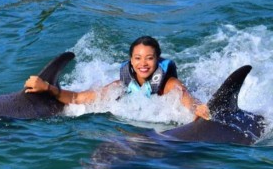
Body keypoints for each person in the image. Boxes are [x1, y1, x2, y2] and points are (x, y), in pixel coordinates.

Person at [24, 36, 211, 120]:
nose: (143, 64)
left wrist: (197, 108)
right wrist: (47, 88)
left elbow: (186, 97)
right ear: (131, 60)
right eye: (137, 58)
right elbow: (78, 98)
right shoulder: (121, 85)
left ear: (157, 60)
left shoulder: (168, 84)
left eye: (149, 58)